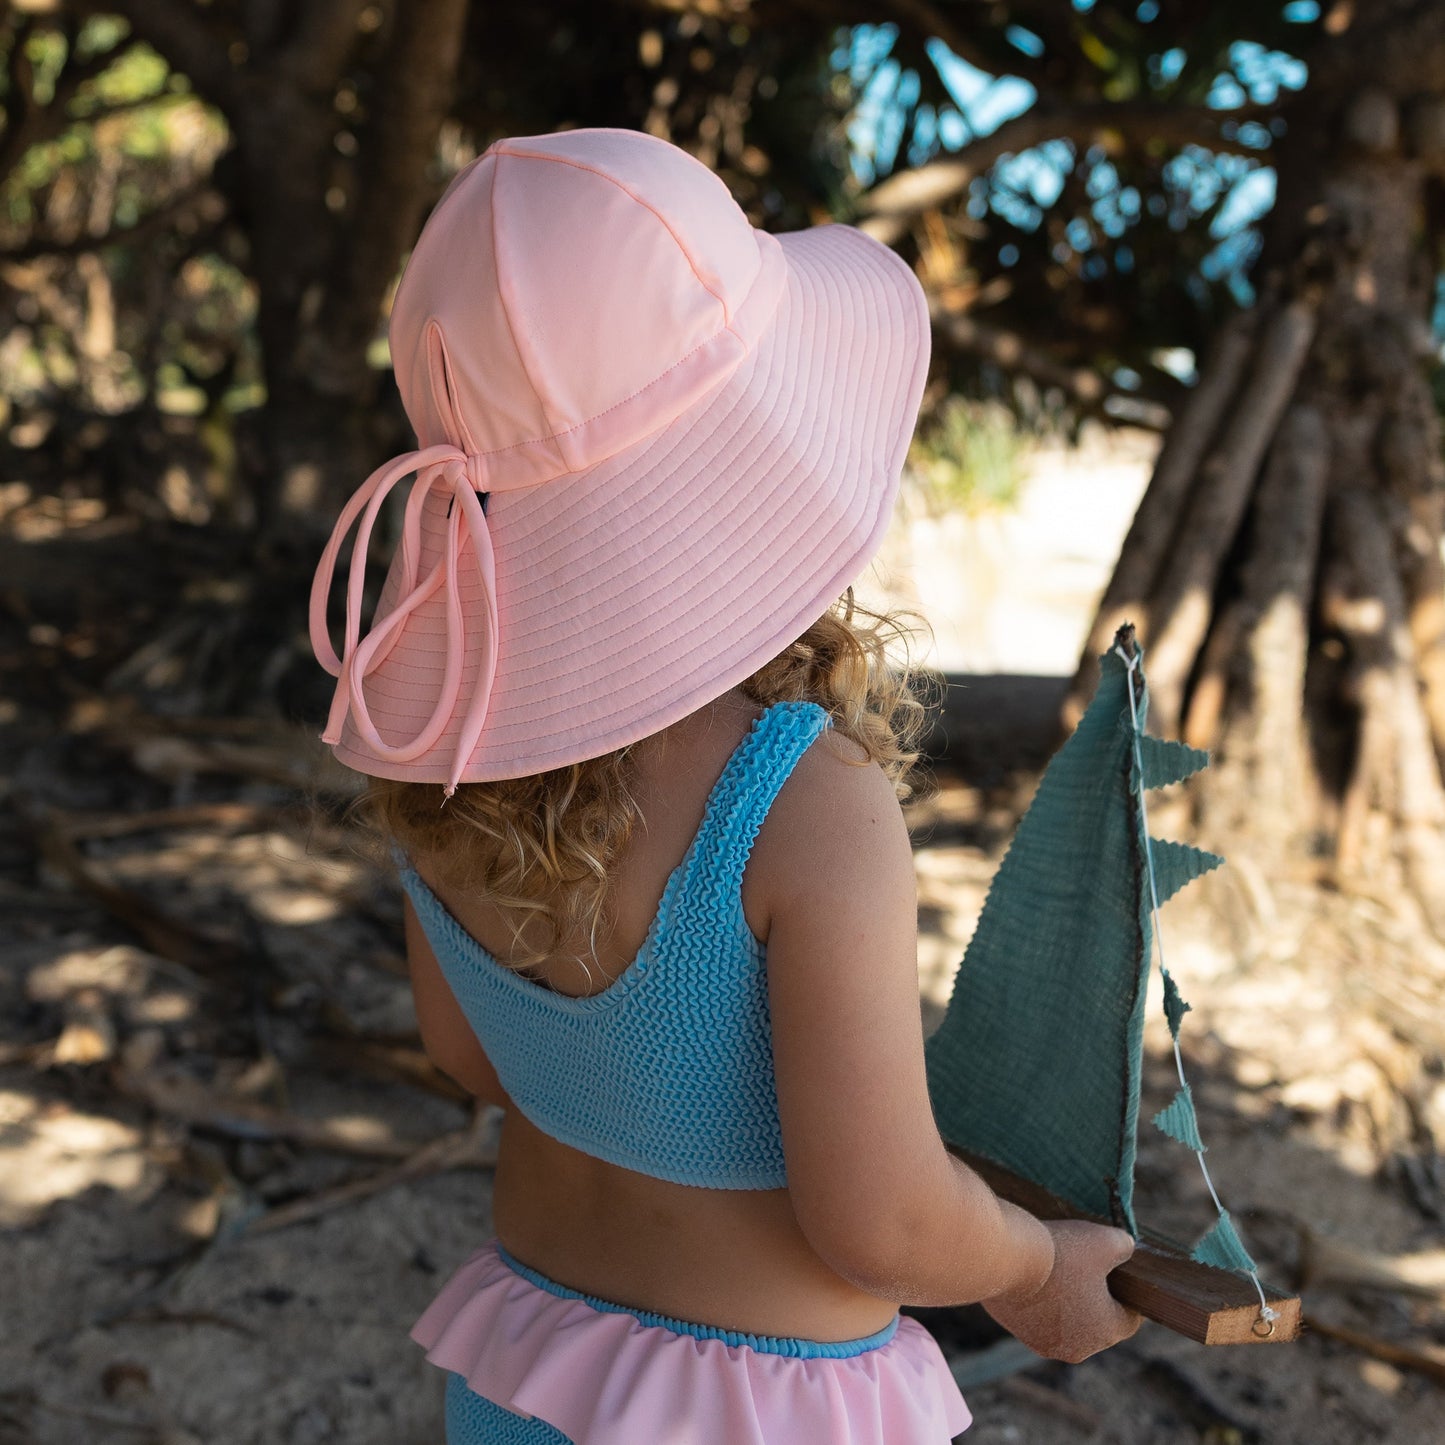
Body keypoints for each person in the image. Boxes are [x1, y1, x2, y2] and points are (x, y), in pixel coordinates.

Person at [309, 127, 1140, 1445]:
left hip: (523, 1365)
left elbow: (471, 1055)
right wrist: (1037, 1267)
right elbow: (882, 1219)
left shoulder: (448, 755)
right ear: (758, 456)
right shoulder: (798, 805)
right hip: (761, 1408)